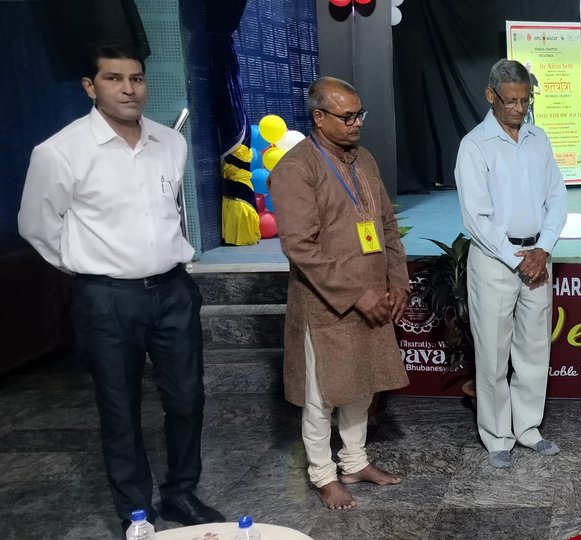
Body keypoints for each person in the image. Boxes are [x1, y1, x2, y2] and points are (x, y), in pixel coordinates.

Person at [18, 43, 224, 528]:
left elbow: (167, 212)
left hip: (173, 291)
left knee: (187, 398)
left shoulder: (169, 143)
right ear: (91, 87)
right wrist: (88, 269)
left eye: (136, 78)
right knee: (118, 407)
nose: (129, 89)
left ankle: (182, 494)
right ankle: (137, 512)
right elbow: (37, 226)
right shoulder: (60, 151)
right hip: (107, 299)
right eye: (114, 79)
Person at [269, 77, 410, 510]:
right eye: (347, 117)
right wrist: (355, 294)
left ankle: (354, 462)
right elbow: (300, 247)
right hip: (325, 306)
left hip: (373, 296)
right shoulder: (296, 169)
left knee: (361, 386)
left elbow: (386, 225)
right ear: (319, 117)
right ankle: (323, 475)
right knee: (322, 395)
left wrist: (397, 281)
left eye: (359, 115)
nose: (357, 124)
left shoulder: (363, 159)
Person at [455, 59, 567, 469]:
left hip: (538, 257)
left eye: (526, 100)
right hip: (495, 262)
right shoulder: (475, 146)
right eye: (512, 101)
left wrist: (545, 247)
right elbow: (476, 218)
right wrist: (516, 258)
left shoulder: (539, 139)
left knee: (535, 349)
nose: (520, 109)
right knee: (493, 351)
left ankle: (528, 428)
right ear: (491, 96)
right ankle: (498, 435)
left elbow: (557, 198)